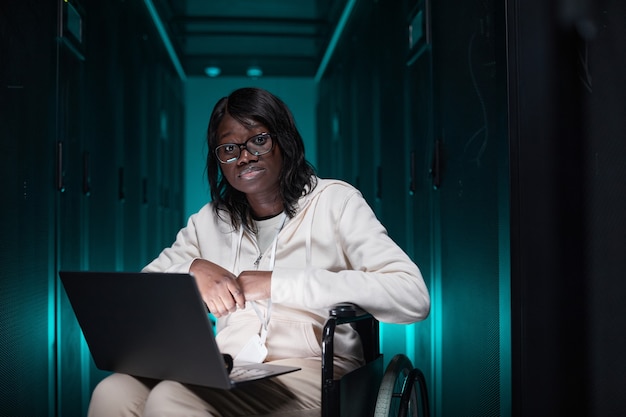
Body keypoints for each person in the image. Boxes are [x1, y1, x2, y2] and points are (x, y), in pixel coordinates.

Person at [87, 87, 430, 416]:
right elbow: (144, 289)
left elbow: (412, 296)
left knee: (173, 399)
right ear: (219, 161)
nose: (245, 156)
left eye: (259, 141)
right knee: (113, 392)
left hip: (318, 371)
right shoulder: (211, 221)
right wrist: (192, 268)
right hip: (234, 367)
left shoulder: (336, 202)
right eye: (229, 149)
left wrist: (277, 284)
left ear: (284, 140)